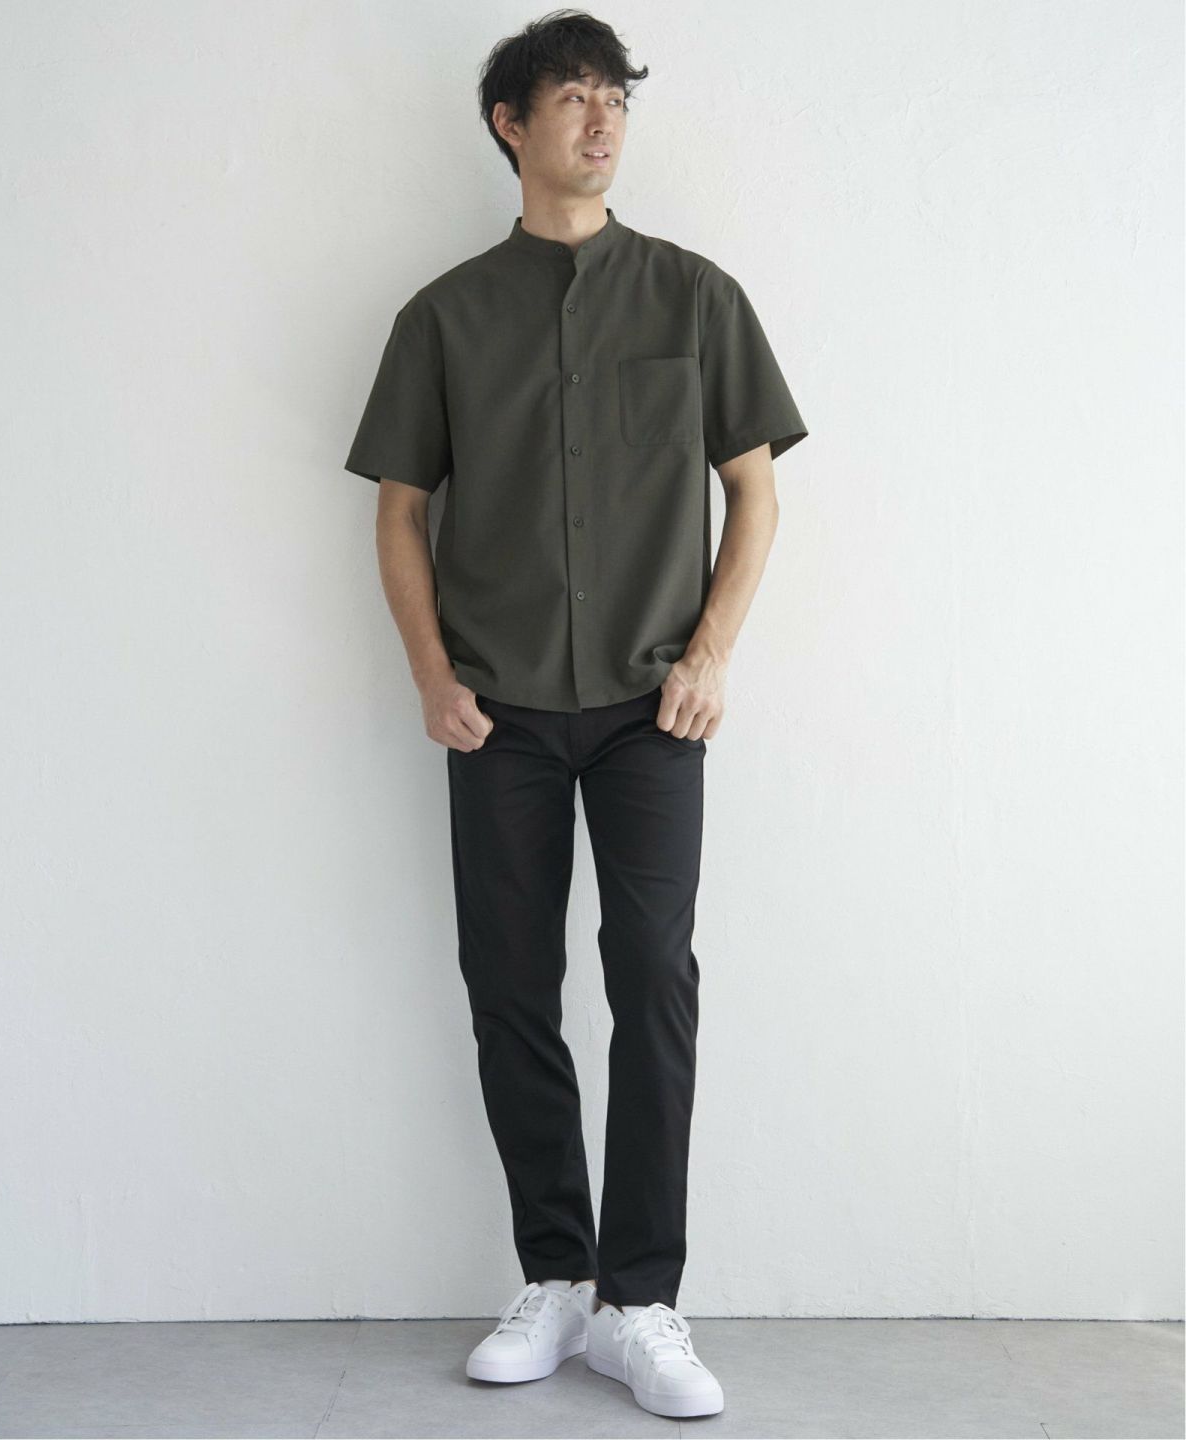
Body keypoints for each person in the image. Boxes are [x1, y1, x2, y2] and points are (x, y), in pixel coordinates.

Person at [343, 8, 808, 1421]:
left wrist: (712, 654)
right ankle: (555, 1273)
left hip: (653, 710)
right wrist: (431, 673)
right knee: (509, 985)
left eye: (616, 98)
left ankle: (641, 1301)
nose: (603, 121)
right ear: (511, 124)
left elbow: (756, 491)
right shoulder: (442, 317)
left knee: (653, 979)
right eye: (573, 98)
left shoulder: (695, 298)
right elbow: (400, 513)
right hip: (498, 714)